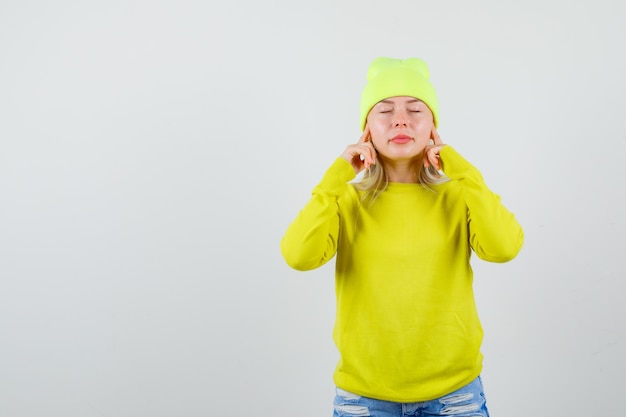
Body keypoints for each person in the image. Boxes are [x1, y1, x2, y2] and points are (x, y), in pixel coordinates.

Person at [280, 57, 524, 417]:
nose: (400, 120)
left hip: (455, 396)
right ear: (365, 129)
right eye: (384, 110)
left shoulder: (458, 196)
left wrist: (465, 172)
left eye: (415, 109)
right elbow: (298, 255)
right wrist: (335, 177)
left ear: (433, 128)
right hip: (363, 398)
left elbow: (505, 248)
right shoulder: (345, 200)